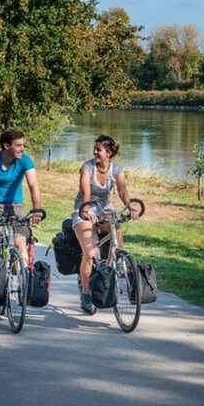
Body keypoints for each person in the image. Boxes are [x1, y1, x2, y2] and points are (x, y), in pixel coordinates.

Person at [72, 134, 139, 314]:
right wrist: (85, 211)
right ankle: (86, 294)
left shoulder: (116, 169)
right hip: (84, 207)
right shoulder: (87, 167)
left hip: (105, 208)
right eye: (95, 149)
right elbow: (85, 191)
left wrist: (129, 207)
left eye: (99, 149)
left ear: (108, 153)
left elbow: (123, 191)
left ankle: (116, 265)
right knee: (90, 252)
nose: (95, 152)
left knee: (117, 238)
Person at [0, 129, 43, 266]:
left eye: (23, 145)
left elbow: (33, 185)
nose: (22, 149)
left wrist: (37, 210)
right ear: (7, 146)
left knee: (21, 242)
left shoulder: (24, 160)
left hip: (15, 206)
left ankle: (24, 279)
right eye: (18, 145)